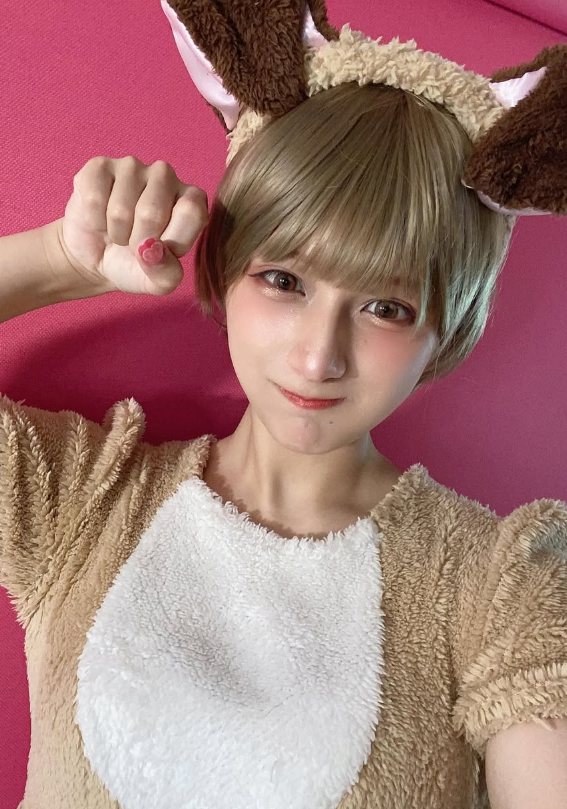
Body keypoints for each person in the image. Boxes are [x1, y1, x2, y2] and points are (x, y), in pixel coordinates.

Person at [1, 2, 567, 808]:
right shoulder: (85, 501)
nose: (317, 356)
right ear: (224, 272)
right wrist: (64, 257)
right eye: (283, 280)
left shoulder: (500, 589)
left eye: (385, 307)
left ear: (446, 330)